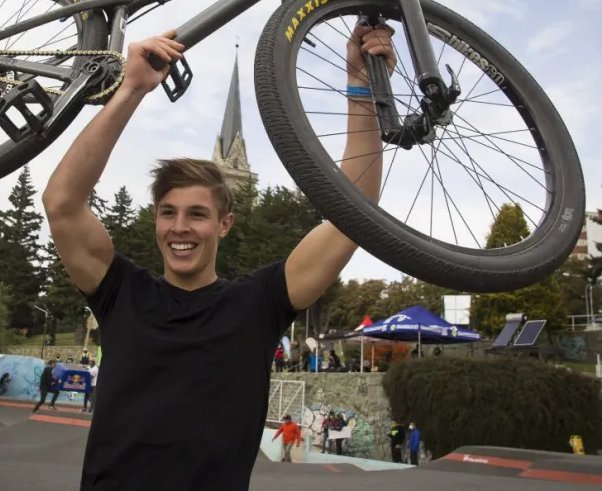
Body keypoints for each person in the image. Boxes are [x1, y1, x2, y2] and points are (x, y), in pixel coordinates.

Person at [41, 24, 395, 491]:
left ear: (225, 223)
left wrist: (362, 91)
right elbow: (62, 202)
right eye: (168, 213)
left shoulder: (258, 302)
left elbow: (354, 214)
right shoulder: (122, 294)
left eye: (197, 214)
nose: (181, 227)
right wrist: (131, 89)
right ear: (156, 221)